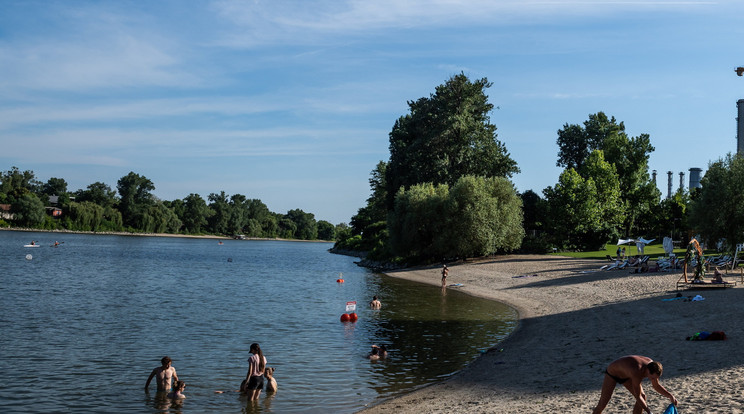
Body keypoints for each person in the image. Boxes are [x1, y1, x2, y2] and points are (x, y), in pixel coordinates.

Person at [593, 355, 678, 414]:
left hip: (626, 374)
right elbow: (637, 396)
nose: (653, 380)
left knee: (643, 396)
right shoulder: (637, 371)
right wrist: (649, 412)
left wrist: (670, 396)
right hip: (612, 373)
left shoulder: (653, 367)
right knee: (603, 403)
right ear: (647, 371)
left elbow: (656, 386)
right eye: (652, 378)